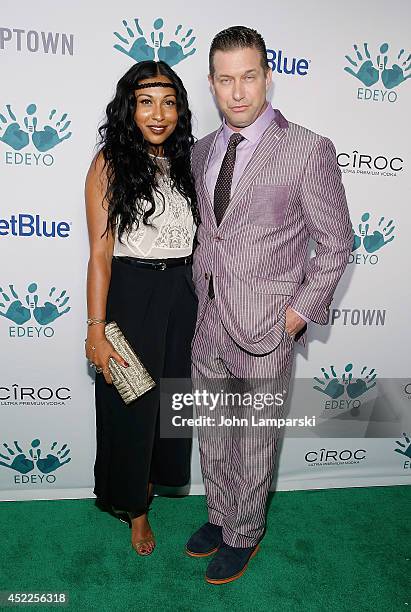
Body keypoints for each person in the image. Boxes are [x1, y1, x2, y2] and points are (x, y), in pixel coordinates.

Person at [186, 26, 353, 584]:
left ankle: (244, 533)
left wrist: (299, 313)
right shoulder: (201, 151)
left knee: (256, 437)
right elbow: (210, 233)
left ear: (268, 78)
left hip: (267, 324)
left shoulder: (308, 148)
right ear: (211, 84)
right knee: (212, 428)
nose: (238, 93)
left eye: (249, 78)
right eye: (226, 80)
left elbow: (337, 242)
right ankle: (218, 515)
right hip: (209, 318)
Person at [85, 60, 198, 556]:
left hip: (184, 293)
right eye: (146, 101)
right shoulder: (109, 163)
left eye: (168, 102)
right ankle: (136, 510)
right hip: (131, 294)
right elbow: (100, 255)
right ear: (129, 106)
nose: (158, 113)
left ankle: (156, 482)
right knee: (133, 405)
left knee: (173, 402)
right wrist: (96, 327)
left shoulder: (188, 162)